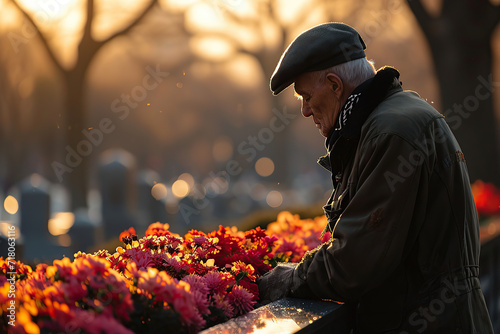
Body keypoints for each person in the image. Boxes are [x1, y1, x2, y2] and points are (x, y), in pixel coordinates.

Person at [257, 22, 494, 333]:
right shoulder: (392, 117)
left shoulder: (389, 132)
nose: (304, 110)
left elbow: (353, 264)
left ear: (334, 84)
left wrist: (285, 279)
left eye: (305, 96)